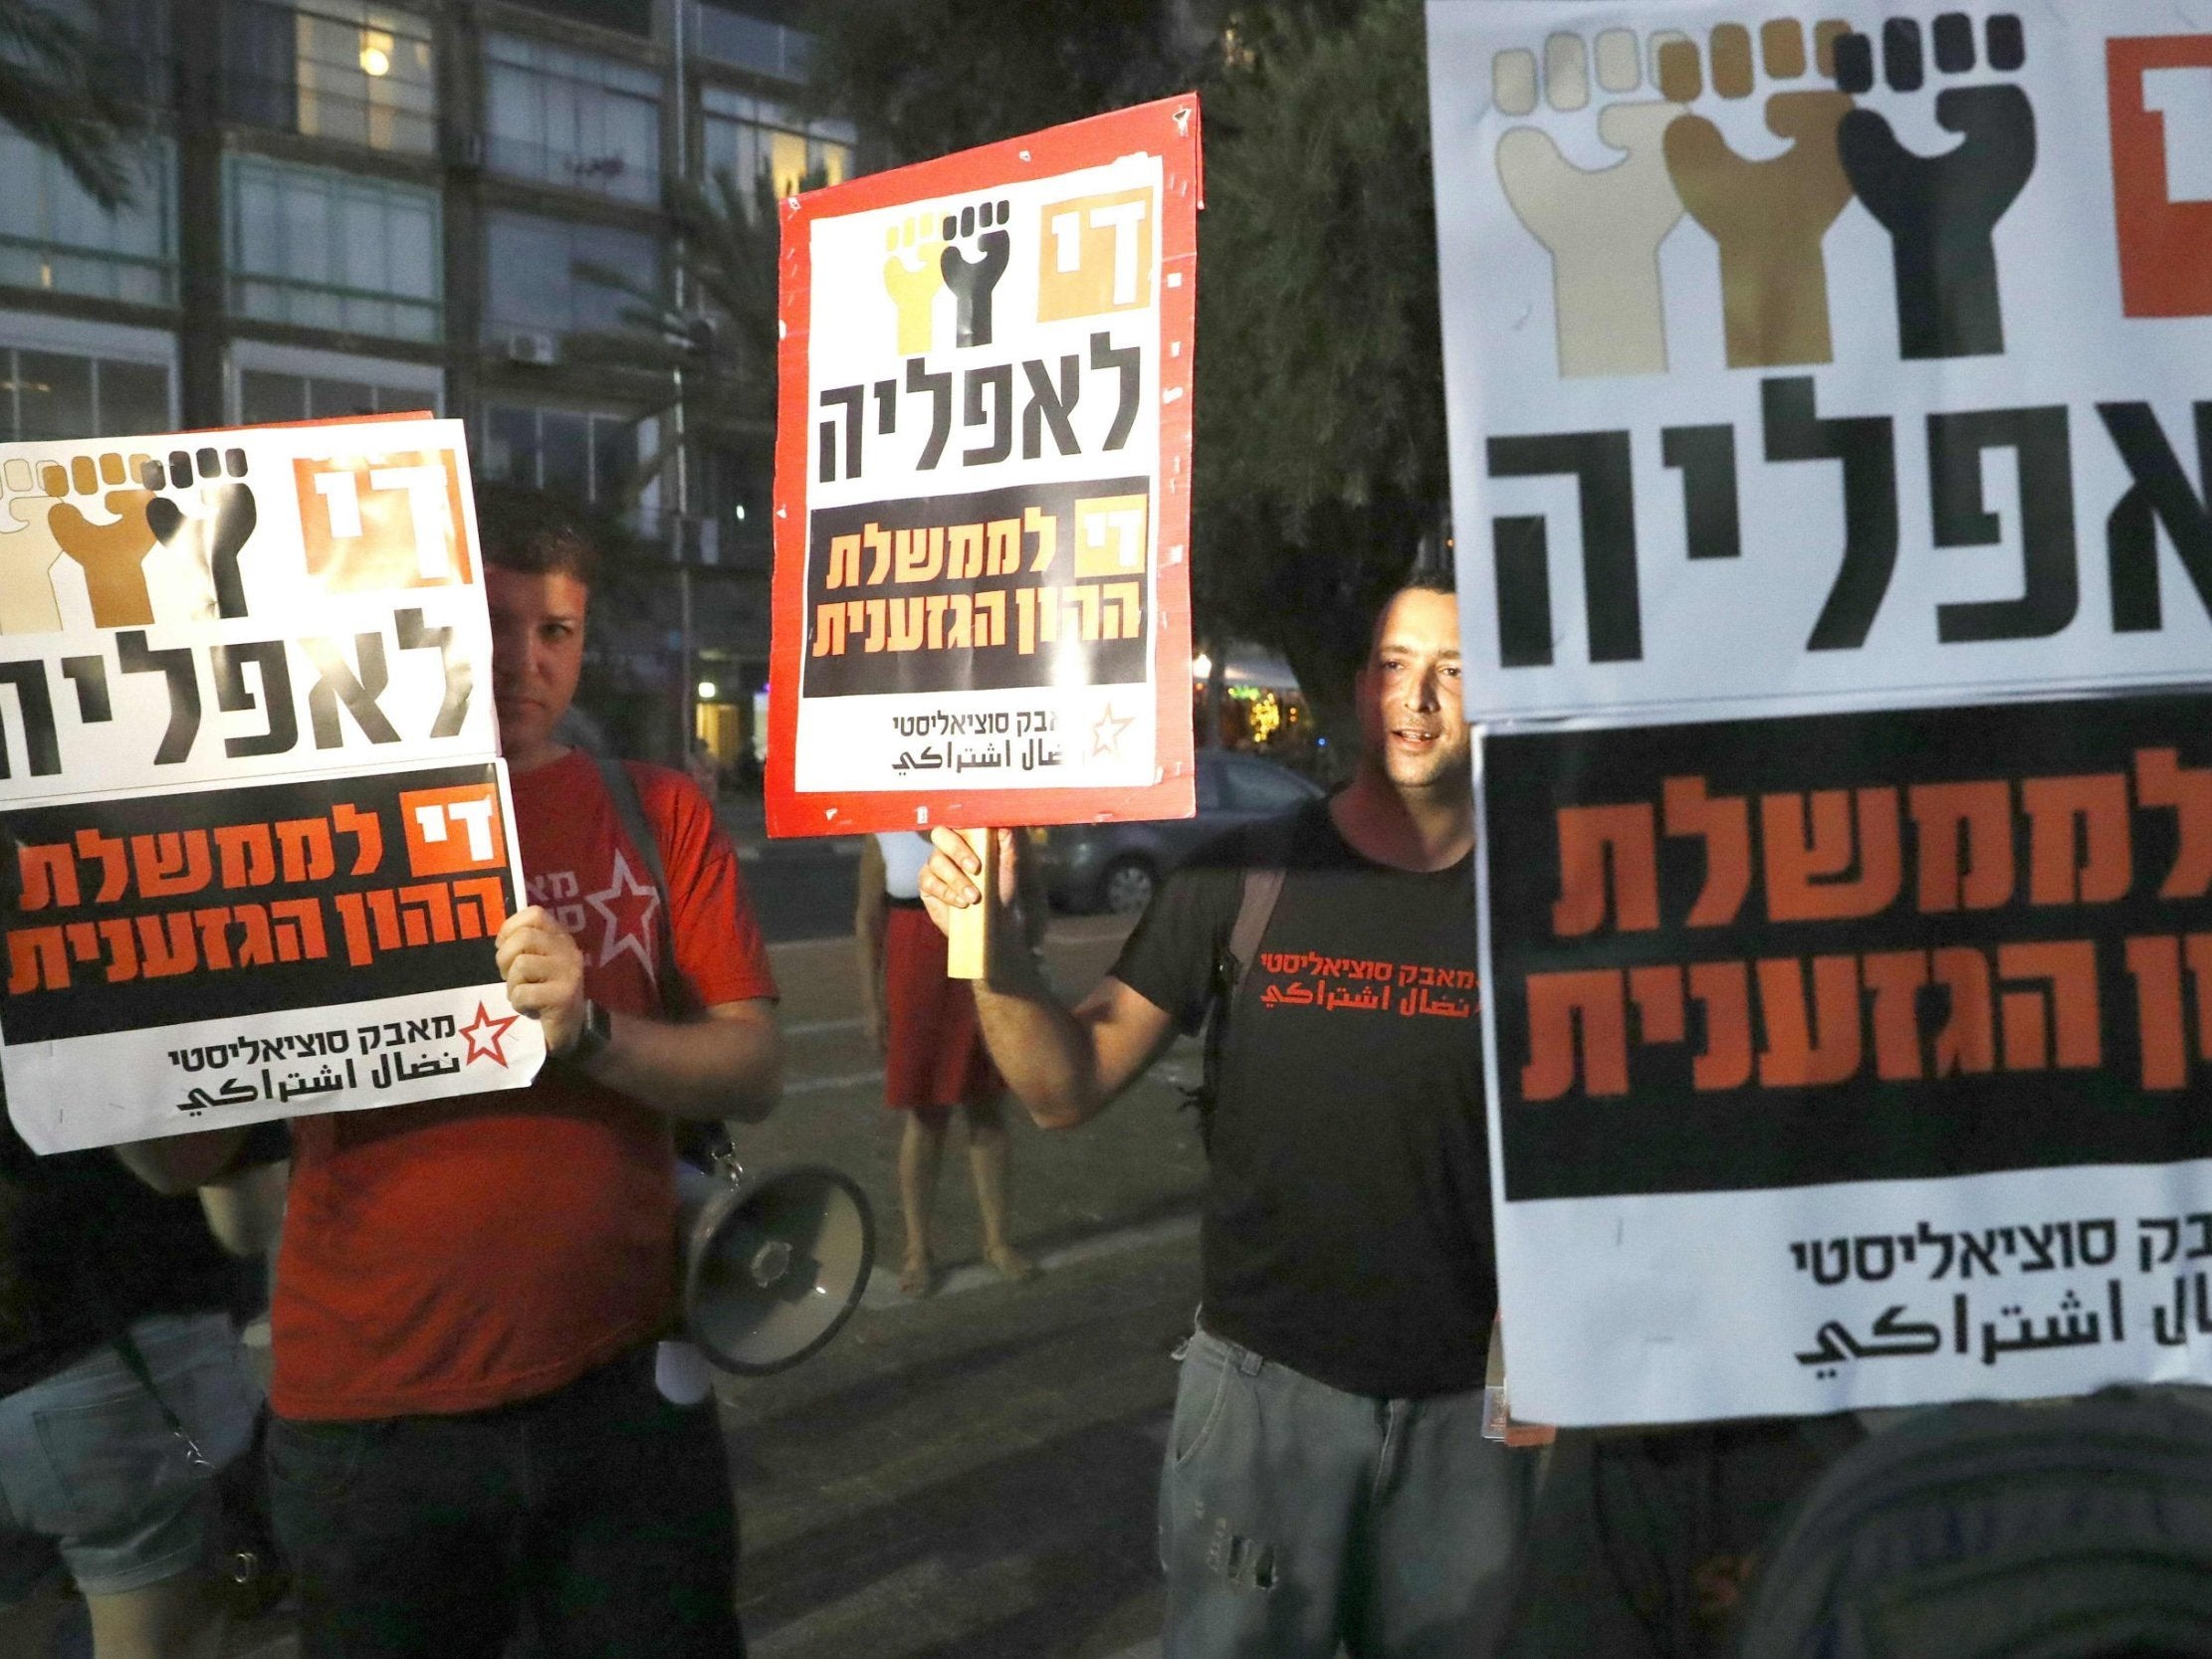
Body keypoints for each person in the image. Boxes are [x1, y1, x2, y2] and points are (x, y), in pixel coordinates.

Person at [130, 486, 783, 1658]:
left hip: (622, 1387)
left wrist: (593, 1035)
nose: (524, 661)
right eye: (491, 622)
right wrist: (129, 1036)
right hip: (372, 1421)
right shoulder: (314, 827)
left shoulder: (658, 808)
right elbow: (177, 1156)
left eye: (557, 631)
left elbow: (749, 1067)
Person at [918, 576, 1529, 1659]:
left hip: (1467, 1418)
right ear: (1358, 688)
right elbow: (1064, 1087)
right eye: (1395, 663)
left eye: (1454, 666)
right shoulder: (1241, 873)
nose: (1419, 696)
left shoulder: (1546, 897)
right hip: (1260, 1404)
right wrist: (994, 953)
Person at [855, 831, 1044, 1296]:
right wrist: (872, 1002)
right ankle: (918, 1251)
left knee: (987, 1107)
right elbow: (868, 920)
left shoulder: (996, 825)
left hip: (984, 968)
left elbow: (1035, 899)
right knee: (925, 1114)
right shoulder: (886, 832)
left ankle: (997, 1241)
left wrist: (1023, 957)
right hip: (915, 973)